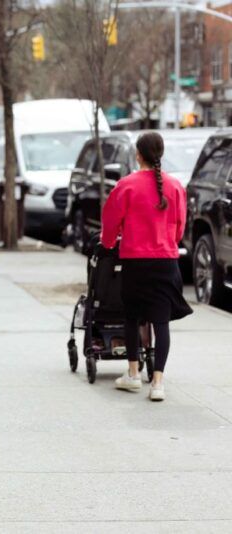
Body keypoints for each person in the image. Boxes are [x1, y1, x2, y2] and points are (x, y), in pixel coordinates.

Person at [100, 131, 193, 401]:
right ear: (160, 154)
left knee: (132, 317)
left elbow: (110, 222)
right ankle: (158, 383)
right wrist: (168, 241)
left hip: (135, 261)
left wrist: (107, 244)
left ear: (138, 155)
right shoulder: (175, 186)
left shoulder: (126, 185)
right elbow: (179, 227)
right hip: (166, 261)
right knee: (161, 322)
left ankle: (133, 374)